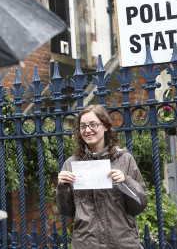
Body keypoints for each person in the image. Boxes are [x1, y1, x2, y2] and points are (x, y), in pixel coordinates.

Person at [56, 104, 148, 248]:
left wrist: (126, 181)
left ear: (105, 126)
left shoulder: (124, 159)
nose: (88, 130)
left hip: (122, 242)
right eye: (83, 126)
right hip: (86, 243)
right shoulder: (71, 163)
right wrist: (62, 187)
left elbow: (139, 205)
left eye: (93, 124)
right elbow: (67, 211)